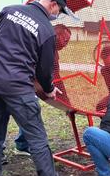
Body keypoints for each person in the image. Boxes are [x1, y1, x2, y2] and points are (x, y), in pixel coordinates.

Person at [0, 0, 77, 176]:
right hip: (17, 88)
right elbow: (44, 71)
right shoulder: (46, 30)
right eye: (59, 12)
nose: (57, 16)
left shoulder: (9, 11)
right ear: (53, 5)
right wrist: (49, 88)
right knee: (37, 138)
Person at [13, 23, 72, 155]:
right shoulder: (44, 46)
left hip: (27, 83)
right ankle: (21, 145)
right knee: (28, 110)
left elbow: (56, 77)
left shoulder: (53, 50)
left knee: (30, 111)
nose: (66, 44)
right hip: (20, 82)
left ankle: (22, 144)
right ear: (56, 35)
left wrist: (66, 102)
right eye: (65, 40)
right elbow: (48, 74)